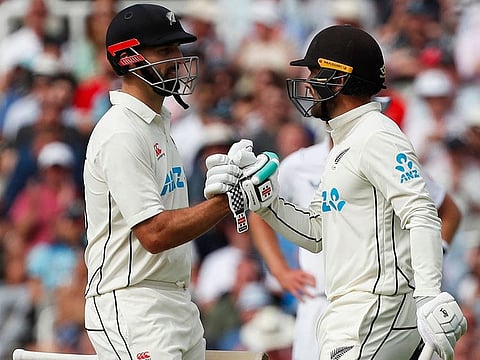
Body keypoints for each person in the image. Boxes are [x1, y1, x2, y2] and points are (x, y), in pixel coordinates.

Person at [231, 25, 467, 359]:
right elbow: (316, 233)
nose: (308, 84)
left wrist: (428, 296)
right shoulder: (344, 142)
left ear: (338, 80)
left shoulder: (376, 135)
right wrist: (267, 205)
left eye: (314, 73)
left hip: (378, 306)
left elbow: (422, 212)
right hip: (353, 310)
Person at [82, 4, 251, 360]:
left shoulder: (157, 124)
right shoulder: (121, 132)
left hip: (176, 301)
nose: (177, 59)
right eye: (164, 51)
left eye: (177, 49)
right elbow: (154, 234)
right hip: (132, 304)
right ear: (127, 58)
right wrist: (226, 202)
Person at [249, 133, 463, 360]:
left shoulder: (387, 152)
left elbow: (448, 211)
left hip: (379, 305)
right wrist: (280, 271)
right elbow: (260, 212)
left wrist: (425, 263)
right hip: (318, 301)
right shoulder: (297, 165)